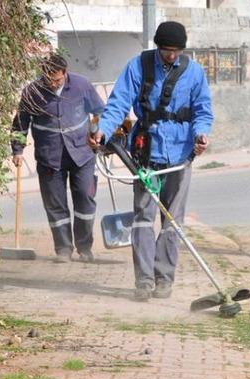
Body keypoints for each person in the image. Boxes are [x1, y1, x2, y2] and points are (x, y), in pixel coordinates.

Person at [89, 21, 213, 302]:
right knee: (143, 219)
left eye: (176, 51)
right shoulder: (139, 67)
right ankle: (144, 280)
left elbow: (202, 110)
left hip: (180, 157)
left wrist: (201, 135)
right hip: (146, 155)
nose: (172, 56)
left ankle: (164, 279)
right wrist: (103, 131)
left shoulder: (194, 72)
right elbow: (118, 103)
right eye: (167, 50)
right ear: (158, 46)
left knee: (172, 222)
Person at [12, 53, 105, 263]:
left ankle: (84, 247)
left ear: (65, 73)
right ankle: (63, 248)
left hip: (82, 153)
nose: (53, 84)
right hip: (50, 157)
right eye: (48, 80)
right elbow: (20, 124)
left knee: (85, 198)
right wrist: (17, 150)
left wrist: (96, 132)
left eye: (57, 79)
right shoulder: (32, 92)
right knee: (55, 204)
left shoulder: (81, 85)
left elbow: (100, 111)